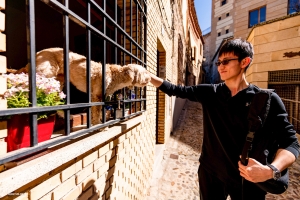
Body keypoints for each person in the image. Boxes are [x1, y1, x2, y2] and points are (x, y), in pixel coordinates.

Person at [148, 38, 300, 200]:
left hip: (248, 180)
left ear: (244, 62)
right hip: (211, 174)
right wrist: (146, 76)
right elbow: (175, 90)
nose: (220, 66)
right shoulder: (210, 93)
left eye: (226, 61)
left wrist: (271, 170)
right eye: (219, 62)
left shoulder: (266, 100)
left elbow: (291, 143)